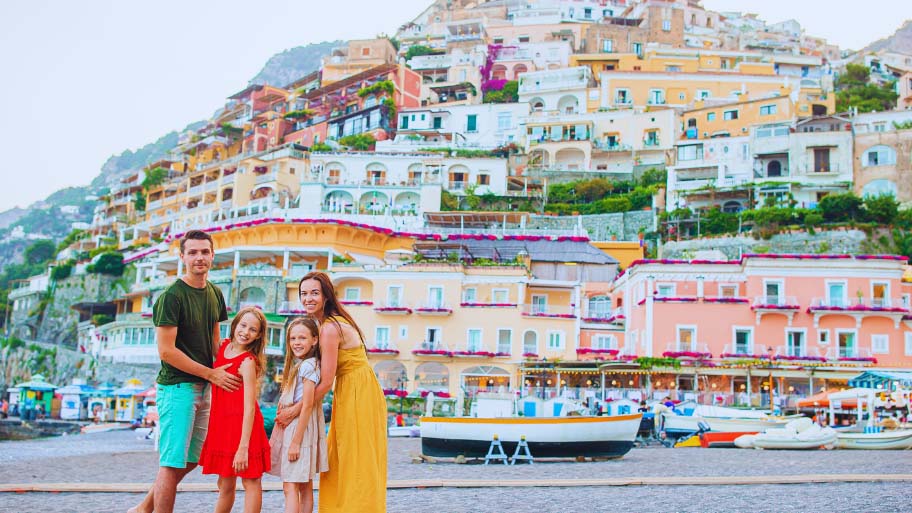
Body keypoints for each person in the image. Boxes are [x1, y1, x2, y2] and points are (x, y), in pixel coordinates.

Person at [129, 230, 240, 513]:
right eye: (192, 252)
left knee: (195, 456)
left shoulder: (215, 293)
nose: (199, 257)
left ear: (213, 255)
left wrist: (236, 369)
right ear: (182, 257)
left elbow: (216, 343)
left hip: (206, 385)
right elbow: (166, 352)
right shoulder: (171, 296)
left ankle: (143, 508)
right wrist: (210, 374)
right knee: (171, 462)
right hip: (178, 387)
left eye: (204, 252)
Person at [276, 271, 386, 512]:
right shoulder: (329, 322)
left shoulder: (328, 328)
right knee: (350, 452)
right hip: (356, 386)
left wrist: (294, 411)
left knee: (353, 453)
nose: (308, 298)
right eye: (304, 294)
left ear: (326, 296)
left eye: (314, 293)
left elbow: (325, 382)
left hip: (356, 390)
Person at [198, 306, 271, 513]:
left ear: (258, 336)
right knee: (225, 483)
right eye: (243, 325)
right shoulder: (224, 347)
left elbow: (250, 408)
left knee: (251, 481)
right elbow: (212, 328)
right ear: (235, 325)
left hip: (244, 428)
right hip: (222, 425)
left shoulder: (247, 362)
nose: (246, 332)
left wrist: (243, 447)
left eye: (253, 329)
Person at [269, 316, 328, 513]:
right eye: (293, 338)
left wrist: (295, 441)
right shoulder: (312, 364)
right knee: (305, 485)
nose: (296, 343)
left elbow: (308, 404)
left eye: (302, 338)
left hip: (298, 428)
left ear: (314, 340)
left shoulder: (306, 366)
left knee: (290, 486)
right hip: (304, 427)